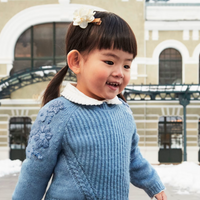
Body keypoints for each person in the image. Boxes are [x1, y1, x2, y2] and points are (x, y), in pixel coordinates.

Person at [12, 7, 167, 200]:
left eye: (126, 65)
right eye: (110, 62)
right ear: (76, 61)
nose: (120, 72)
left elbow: (133, 158)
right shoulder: (58, 113)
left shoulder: (123, 112)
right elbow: (34, 173)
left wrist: (154, 184)